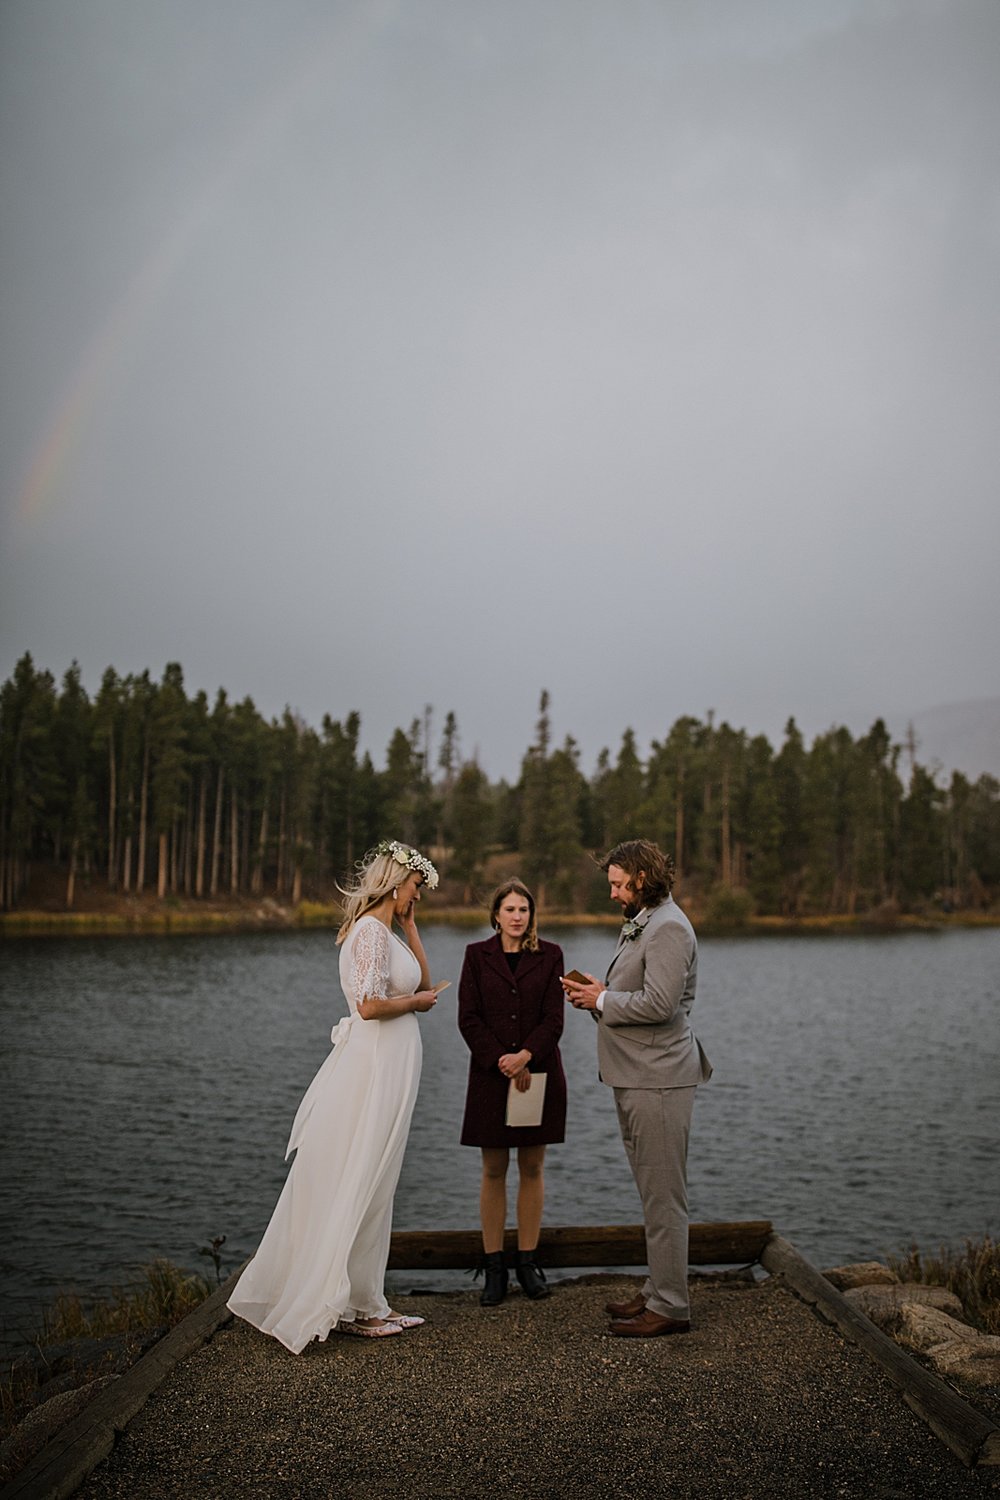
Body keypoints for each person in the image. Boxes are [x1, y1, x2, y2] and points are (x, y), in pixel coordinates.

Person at [227, 839, 440, 1350]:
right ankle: (347, 1304)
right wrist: (414, 1000)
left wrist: (411, 929)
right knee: (361, 1177)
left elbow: (424, 986)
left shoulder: (389, 931)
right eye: (416, 887)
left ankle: (365, 1301)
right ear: (397, 881)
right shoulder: (368, 931)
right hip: (372, 1069)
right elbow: (368, 1006)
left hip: (392, 1068)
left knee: (378, 1180)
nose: (418, 896)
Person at [562, 839, 711, 1337]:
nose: (612, 894)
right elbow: (635, 996)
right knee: (653, 1195)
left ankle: (671, 1306)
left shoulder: (668, 928)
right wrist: (595, 998)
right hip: (636, 1075)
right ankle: (658, 1289)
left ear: (641, 880)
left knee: (665, 1197)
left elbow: (660, 1005)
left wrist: (602, 998)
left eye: (617, 884)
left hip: (660, 1080)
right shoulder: (646, 922)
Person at [458, 878, 567, 1306]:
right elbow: (468, 1018)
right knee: (493, 1169)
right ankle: (494, 1267)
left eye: (524, 909)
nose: (518, 917)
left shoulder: (552, 955)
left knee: (534, 1168)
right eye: (510, 910)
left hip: (538, 1074)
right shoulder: (476, 956)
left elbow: (554, 1019)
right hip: (491, 1076)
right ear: (496, 915)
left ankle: (527, 1262)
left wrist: (525, 1055)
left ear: (531, 914)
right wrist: (502, 1060)